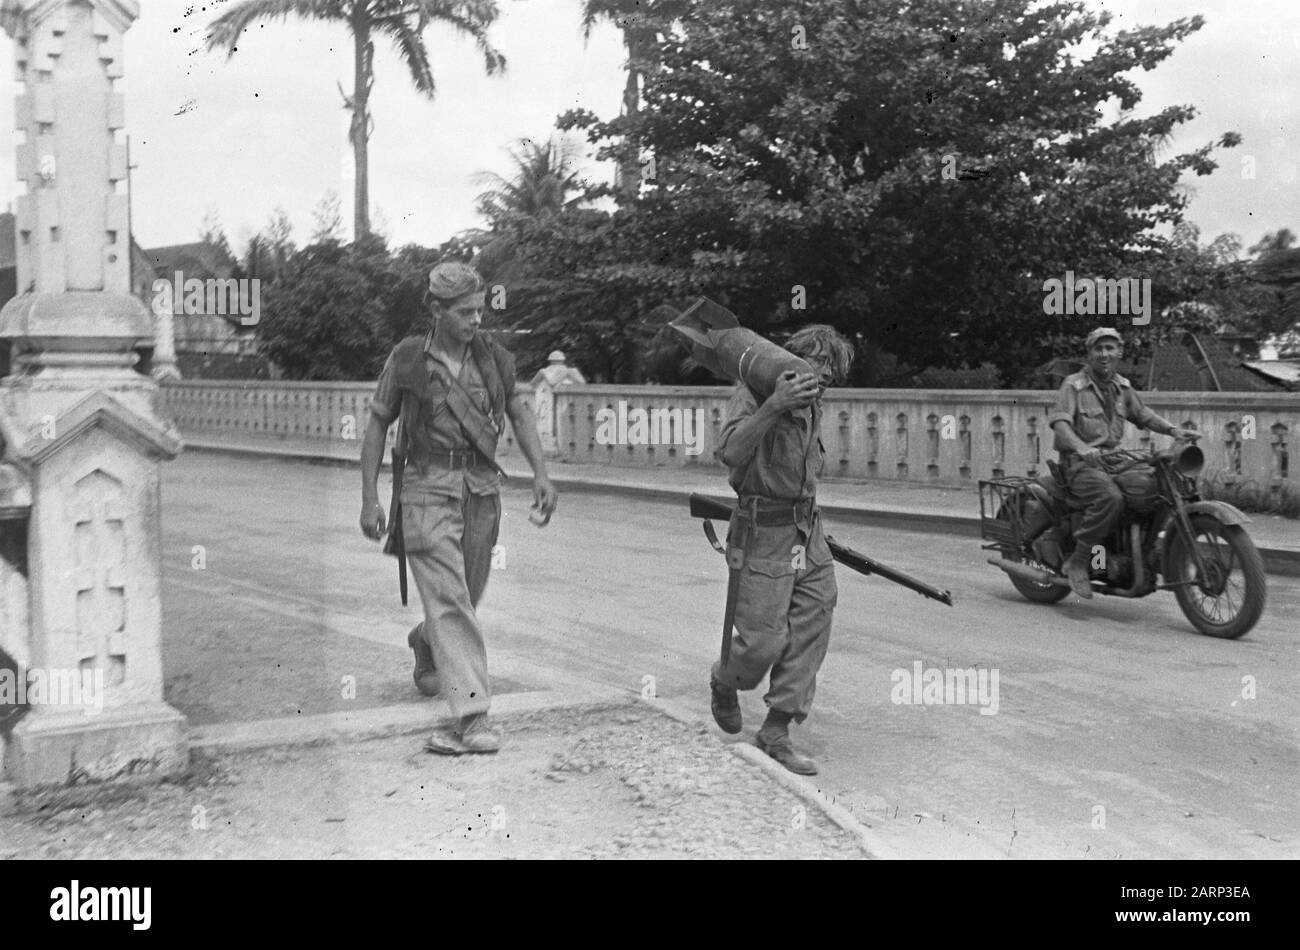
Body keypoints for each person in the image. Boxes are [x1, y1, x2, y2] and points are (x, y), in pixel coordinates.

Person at [360, 262, 558, 754]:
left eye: (479, 310)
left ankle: (426, 641)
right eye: (465, 312)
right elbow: (377, 426)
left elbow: (518, 410)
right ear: (436, 310)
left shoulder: (493, 358)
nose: (476, 321)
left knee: (465, 596)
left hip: (480, 490)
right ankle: (471, 716)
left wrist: (540, 472)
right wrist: (369, 497)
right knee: (452, 601)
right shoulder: (407, 359)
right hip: (425, 490)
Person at [709, 324, 854, 776]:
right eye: (818, 361)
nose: (825, 373)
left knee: (813, 620)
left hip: (806, 530)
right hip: (762, 532)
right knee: (763, 643)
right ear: (788, 357)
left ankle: (775, 730)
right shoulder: (753, 393)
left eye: (833, 366)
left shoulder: (814, 405)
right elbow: (731, 453)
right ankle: (724, 678)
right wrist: (774, 406)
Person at [1047, 327, 1198, 598]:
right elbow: (1060, 425)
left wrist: (1173, 431)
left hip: (1111, 461)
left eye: (1110, 348)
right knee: (1110, 498)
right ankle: (1079, 561)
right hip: (1078, 463)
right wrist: (1082, 448)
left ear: (1120, 353)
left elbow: (1144, 415)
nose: (1104, 354)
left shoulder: (1122, 387)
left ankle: (1139, 550)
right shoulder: (1073, 385)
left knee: (1153, 487)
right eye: (1098, 348)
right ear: (1089, 353)